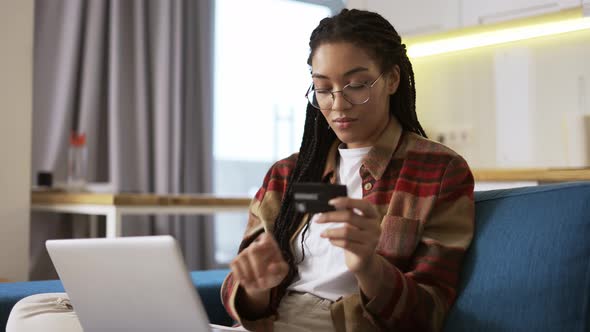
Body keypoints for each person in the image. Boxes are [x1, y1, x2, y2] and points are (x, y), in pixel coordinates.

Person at [221, 8, 474, 332]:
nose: (338, 104)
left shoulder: (438, 172)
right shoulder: (288, 174)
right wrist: (256, 287)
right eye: (323, 88)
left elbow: (428, 314)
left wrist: (370, 268)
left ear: (393, 79)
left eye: (356, 85)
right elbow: (237, 288)